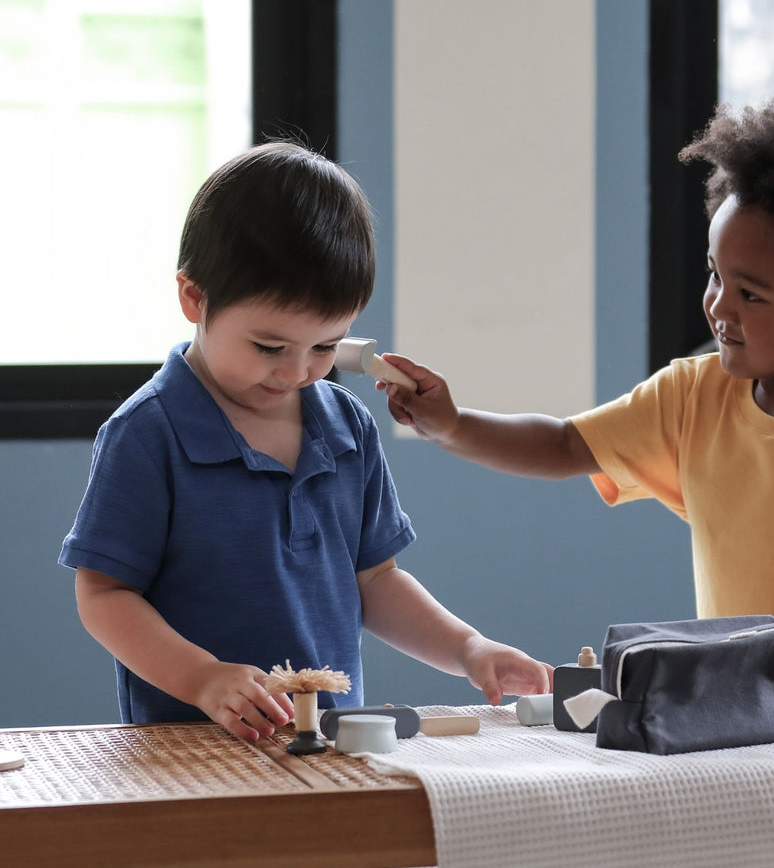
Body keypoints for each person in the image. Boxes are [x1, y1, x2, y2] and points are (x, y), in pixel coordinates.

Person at [380, 80, 774, 702]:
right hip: (752, 697)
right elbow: (563, 444)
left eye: (751, 294)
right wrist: (452, 424)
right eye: (714, 275)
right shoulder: (693, 395)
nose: (720, 307)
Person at [59, 142, 551, 742]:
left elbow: (375, 581)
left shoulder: (347, 427)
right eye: (269, 347)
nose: (295, 372)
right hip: (191, 748)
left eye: (324, 347)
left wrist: (468, 648)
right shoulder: (147, 434)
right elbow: (104, 594)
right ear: (194, 297)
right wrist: (205, 678)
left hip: (327, 744)